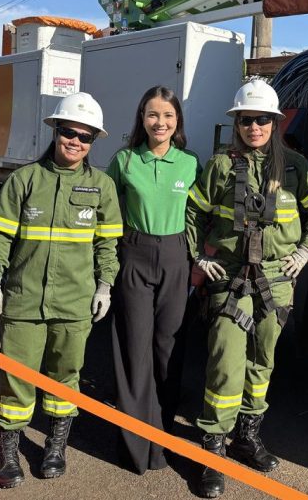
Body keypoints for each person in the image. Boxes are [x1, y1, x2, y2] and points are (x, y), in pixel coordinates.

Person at [185, 79, 308, 497]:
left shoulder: (296, 168)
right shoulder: (219, 166)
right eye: (247, 120)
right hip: (230, 277)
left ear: (275, 122)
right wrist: (198, 257)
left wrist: (305, 250)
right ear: (237, 123)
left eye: (263, 119)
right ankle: (214, 449)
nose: (255, 127)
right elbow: (192, 212)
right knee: (225, 362)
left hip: (276, 280)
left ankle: (247, 436)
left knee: (263, 362)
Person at [0, 92, 123, 489]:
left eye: (85, 136)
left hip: (75, 302)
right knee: (17, 376)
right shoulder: (25, 180)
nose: (75, 141)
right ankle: (7, 448)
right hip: (24, 298)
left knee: (65, 377)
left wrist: (105, 287)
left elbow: (107, 245)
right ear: (55, 131)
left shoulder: (102, 186)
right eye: (69, 132)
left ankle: (56, 446)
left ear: (93, 141)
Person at [107, 85, 200, 474]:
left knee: (167, 351)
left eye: (167, 115)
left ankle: (161, 440)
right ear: (141, 119)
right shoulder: (125, 160)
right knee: (135, 349)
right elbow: (105, 209)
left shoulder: (190, 163)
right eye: (152, 114)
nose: (160, 122)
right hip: (135, 255)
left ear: (177, 121)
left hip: (177, 258)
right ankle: (134, 444)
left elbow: (199, 215)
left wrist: (201, 259)